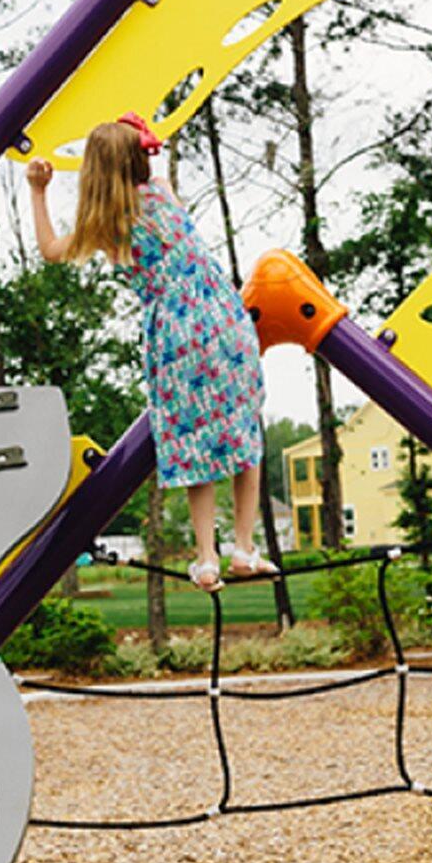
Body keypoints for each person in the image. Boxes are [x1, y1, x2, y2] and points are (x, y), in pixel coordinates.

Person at [26, 114, 276, 592]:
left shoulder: (103, 224)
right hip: (222, 317)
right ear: (139, 160)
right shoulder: (160, 189)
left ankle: (207, 559)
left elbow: (51, 250)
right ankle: (244, 547)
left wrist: (39, 190)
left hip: (177, 335)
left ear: (94, 172)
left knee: (190, 440)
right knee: (245, 429)